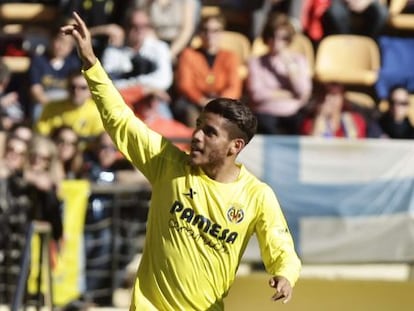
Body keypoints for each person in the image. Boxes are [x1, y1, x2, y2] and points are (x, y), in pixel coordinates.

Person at [62, 12, 301, 310]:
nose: (197, 135)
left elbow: (281, 247)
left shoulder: (257, 196)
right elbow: (121, 120)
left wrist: (284, 274)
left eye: (210, 132)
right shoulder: (167, 163)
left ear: (234, 146)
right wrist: (91, 63)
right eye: (199, 125)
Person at [100, 6, 173, 118]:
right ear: (126, 27)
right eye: (134, 26)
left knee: (164, 123)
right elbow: (110, 84)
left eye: (144, 26)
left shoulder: (160, 48)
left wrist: (134, 86)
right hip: (122, 101)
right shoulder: (112, 52)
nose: (139, 30)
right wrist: (145, 89)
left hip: (152, 101)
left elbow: (164, 80)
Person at [174, 12, 243, 127]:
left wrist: (218, 102)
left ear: (222, 32)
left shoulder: (230, 56)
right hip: (195, 101)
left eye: (215, 31)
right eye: (205, 30)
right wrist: (201, 100)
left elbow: (234, 87)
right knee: (187, 109)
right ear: (200, 33)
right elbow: (185, 85)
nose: (209, 35)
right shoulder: (188, 54)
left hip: (222, 101)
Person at [247, 13, 312, 135]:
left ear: (289, 39)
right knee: (266, 125)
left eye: (283, 38)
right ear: (267, 37)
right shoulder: (255, 62)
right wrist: (289, 94)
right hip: (265, 113)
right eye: (273, 36)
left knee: (303, 124)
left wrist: (289, 65)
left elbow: (303, 92)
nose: (277, 42)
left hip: (293, 112)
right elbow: (256, 94)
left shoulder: (299, 60)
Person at [28, 23, 81, 120]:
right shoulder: (39, 60)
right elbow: (36, 90)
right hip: (45, 103)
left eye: (67, 44)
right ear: (52, 40)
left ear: (71, 47)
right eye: (59, 41)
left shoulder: (74, 63)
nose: (61, 46)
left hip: (66, 103)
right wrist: (53, 108)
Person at [34, 70, 104, 141]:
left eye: (83, 88)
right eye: (72, 87)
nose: (76, 91)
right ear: (67, 87)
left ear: (91, 90)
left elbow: (99, 139)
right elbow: (41, 133)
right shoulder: (52, 107)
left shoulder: (98, 111)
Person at [135, 0, 200, 61]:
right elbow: (145, 25)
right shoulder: (146, 2)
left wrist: (170, 54)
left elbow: (187, 30)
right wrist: (158, 50)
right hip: (156, 43)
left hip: (180, 44)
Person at [300, 82, 369, 137]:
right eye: (323, 95)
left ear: (342, 98)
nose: (327, 99)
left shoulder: (356, 120)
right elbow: (312, 147)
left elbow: (357, 146)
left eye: (333, 95)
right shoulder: (309, 122)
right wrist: (320, 117)